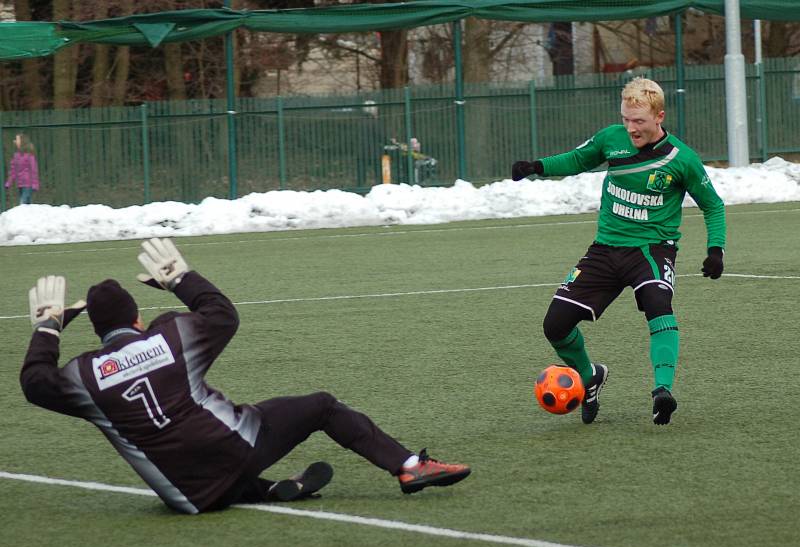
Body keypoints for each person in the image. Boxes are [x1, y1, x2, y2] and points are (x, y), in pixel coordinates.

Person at [20, 238, 470, 514]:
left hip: (186, 496)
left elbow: (35, 382)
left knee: (191, 472)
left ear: (97, 330)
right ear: (138, 318)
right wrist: (180, 279)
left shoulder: (83, 376)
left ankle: (266, 491)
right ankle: (411, 467)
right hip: (236, 446)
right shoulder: (169, 334)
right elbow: (221, 314)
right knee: (322, 406)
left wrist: (49, 326)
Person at [512, 77, 726, 426]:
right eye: (626, 119)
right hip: (605, 250)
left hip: (652, 251)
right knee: (555, 325)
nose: (630, 128)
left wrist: (715, 249)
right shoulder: (611, 138)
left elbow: (713, 206)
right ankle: (589, 374)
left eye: (638, 121)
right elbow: (578, 159)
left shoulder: (682, 159)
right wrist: (537, 167)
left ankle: (662, 391)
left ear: (659, 116)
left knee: (658, 305)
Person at [5, 132, 40, 205]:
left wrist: (35, 184)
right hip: (20, 184)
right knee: (27, 204)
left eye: (17, 139)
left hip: (28, 184)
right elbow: (13, 170)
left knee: (23, 203)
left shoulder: (30, 156)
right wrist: (9, 182)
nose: (15, 141)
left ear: (22, 141)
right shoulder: (16, 155)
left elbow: (34, 171)